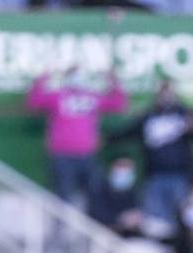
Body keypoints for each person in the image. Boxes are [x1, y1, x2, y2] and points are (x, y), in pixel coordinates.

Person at [108, 80, 193, 229]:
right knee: (154, 221)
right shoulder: (148, 116)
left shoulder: (185, 114)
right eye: (163, 92)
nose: (166, 96)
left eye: (169, 91)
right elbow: (128, 131)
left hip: (179, 176)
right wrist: (108, 138)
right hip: (154, 176)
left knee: (181, 220)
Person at [26, 66, 128, 206]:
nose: (77, 77)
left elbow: (118, 105)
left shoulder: (93, 96)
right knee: (62, 195)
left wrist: (113, 82)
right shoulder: (57, 96)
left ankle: (92, 225)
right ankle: (60, 227)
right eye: (73, 74)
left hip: (87, 154)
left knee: (95, 193)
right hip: (62, 155)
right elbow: (34, 102)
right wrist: (41, 79)